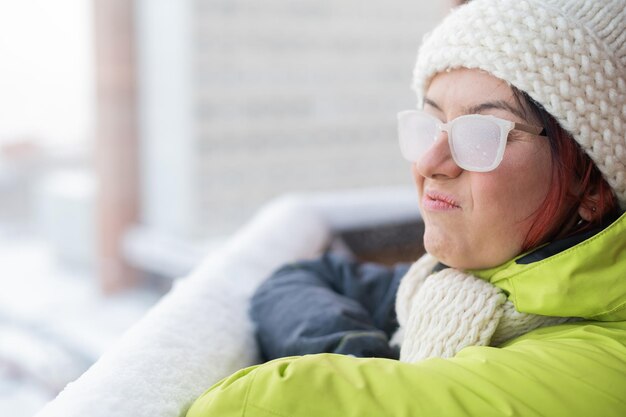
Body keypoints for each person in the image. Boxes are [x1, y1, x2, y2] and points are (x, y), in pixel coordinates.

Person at [187, 0, 626, 415]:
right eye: (431, 124)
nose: (430, 163)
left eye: (480, 134)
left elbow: (241, 406)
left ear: (590, 185)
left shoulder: (606, 366)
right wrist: (361, 360)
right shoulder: (452, 286)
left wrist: (376, 373)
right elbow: (299, 281)